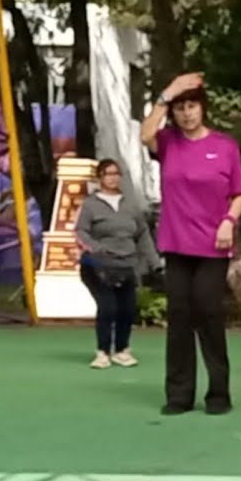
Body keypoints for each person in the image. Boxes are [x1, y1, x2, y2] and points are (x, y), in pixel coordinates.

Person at [141, 73, 241, 416]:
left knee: (209, 312)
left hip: (213, 245)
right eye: (181, 108)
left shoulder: (225, 146)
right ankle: (179, 395)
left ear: (203, 109)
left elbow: (240, 193)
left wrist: (228, 222)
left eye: (192, 106)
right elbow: (145, 135)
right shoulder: (169, 142)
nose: (187, 113)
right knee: (180, 317)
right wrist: (166, 95)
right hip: (176, 244)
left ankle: (219, 393)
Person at [75, 158, 160, 369]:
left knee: (127, 309)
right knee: (108, 307)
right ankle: (102, 352)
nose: (113, 178)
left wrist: (154, 261)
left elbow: (142, 234)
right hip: (98, 265)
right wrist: (95, 248)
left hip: (127, 264)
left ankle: (122, 350)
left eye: (116, 173)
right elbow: (81, 231)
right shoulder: (90, 204)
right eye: (108, 174)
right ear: (100, 177)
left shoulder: (130, 204)